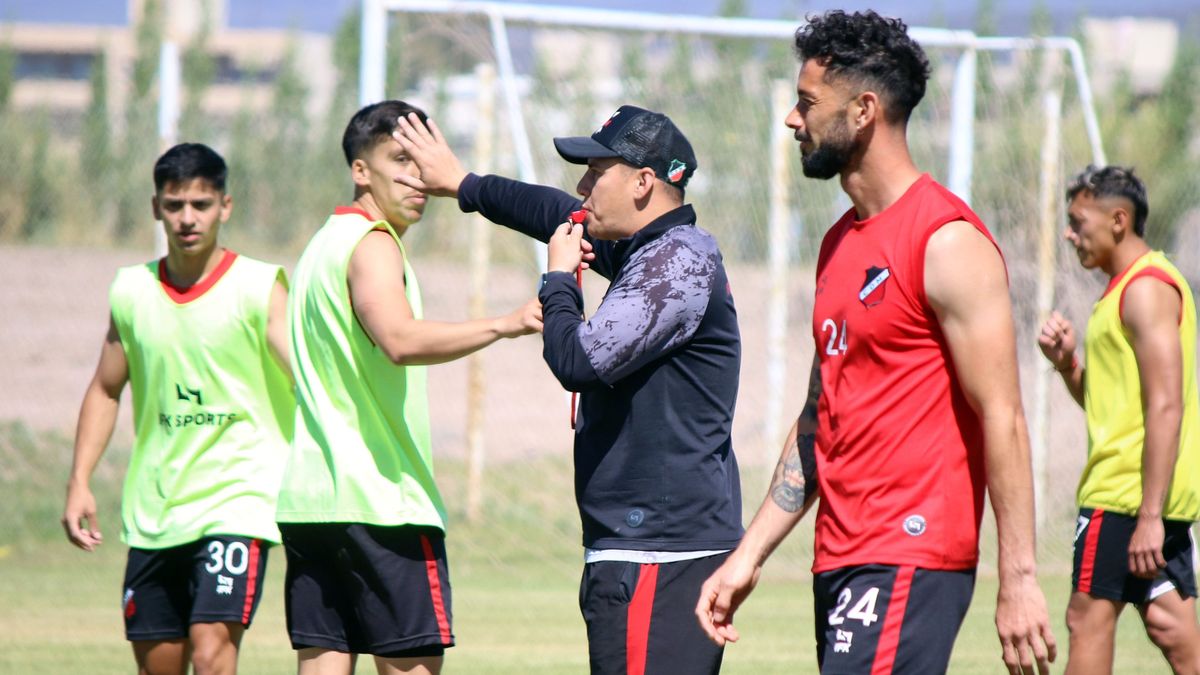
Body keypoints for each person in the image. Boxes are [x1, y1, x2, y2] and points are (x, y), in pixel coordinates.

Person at [693, 10, 1058, 675]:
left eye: (807, 103)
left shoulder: (947, 241)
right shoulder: (838, 244)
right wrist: (748, 557)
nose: (792, 120)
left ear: (863, 110)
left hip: (911, 551)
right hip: (841, 554)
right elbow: (817, 418)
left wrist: (1020, 577)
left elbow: (1002, 416)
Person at [394, 104, 743, 674]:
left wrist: (558, 279)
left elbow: (578, 360)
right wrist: (465, 185)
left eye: (594, 171)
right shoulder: (653, 250)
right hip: (648, 546)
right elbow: (554, 211)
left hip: (656, 550)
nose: (581, 185)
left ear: (642, 181)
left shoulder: (674, 264)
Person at [274, 99, 542, 675]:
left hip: (311, 505)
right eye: (399, 158)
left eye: (422, 161)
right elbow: (398, 338)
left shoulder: (320, 245)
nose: (417, 175)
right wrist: (504, 323)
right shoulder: (371, 243)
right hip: (381, 504)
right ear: (360, 170)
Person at [61, 142, 294, 675]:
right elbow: (105, 389)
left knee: (213, 653)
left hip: (239, 500)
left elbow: (307, 380)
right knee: (159, 667)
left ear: (225, 206)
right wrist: (79, 480)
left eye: (201, 204)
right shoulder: (132, 291)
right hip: (157, 510)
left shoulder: (259, 287)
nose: (188, 218)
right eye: (175, 205)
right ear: (155, 208)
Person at [1037, 165, 1200, 674]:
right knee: (1173, 629)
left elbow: (1166, 404)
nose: (1070, 233)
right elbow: (1110, 406)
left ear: (1118, 220)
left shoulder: (1146, 290)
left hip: (1126, 499)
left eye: (1077, 221)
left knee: (1085, 620)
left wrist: (1148, 517)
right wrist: (1069, 365)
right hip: (1148, 498)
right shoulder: (1121, 291)